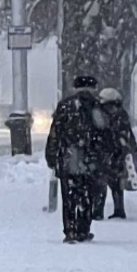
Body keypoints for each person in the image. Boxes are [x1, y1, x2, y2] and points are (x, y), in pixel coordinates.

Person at [46, 74, 110, 243]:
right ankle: (83, 228)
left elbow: (55, 133)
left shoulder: (65, 106)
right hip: (91, 159)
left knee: (69, 196)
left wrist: (51, 156)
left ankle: (70, 230)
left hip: (68, 157)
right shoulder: (97, 107)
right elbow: (105, 133)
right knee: (88, 194)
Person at [97, 88, 137, 220]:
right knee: (114, 184)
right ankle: (118, 209)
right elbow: (127, 132)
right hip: (115, 152)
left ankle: (99, 211)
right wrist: (131, 145)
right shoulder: (121, 114)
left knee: (103, 183)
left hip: (107, 153)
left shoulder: (99, 114)